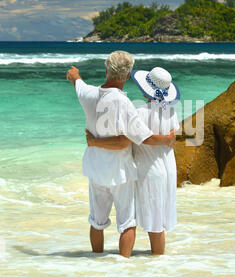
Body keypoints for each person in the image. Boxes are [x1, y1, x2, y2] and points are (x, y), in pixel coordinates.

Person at [66, 51, 175, 258]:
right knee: (127, 223)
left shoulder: (88, 94)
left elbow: (78, 83)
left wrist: (74, 75)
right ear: (127, 77)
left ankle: (96, 260)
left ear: (106, 71)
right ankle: (123, 269)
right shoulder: (124, 104)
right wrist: (167, 140)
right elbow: (138, 139)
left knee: (97, 222)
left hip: (96, 168)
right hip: (120, 172)